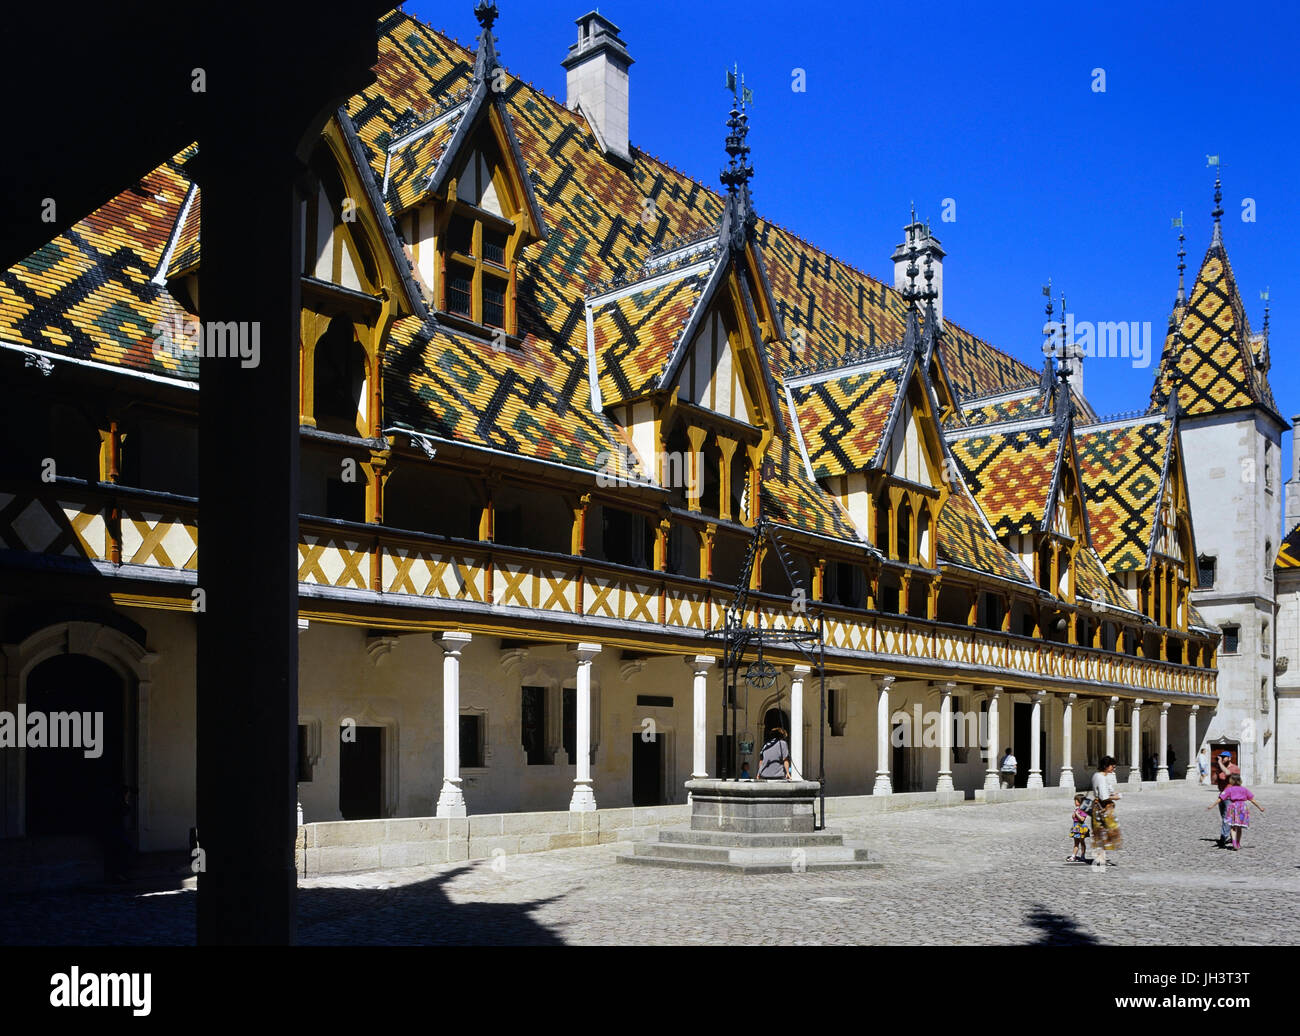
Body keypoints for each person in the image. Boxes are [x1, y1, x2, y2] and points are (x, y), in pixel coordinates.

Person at [1207, 774, 1264, 850]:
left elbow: (1220, 798)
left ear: (1231, 781)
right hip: (1242, 808)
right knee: (1239, 827)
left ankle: (1234, 843)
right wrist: (1260, 807)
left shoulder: (1229, 789)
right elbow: (1252, 799)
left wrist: (1212, 805)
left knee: (1233, 826)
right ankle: (1238, 843)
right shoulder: (1244, 789)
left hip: (1234, 807)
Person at [1090, 756, 1122, 865]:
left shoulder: (1097, 775)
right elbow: (1104, 796)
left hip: (1097, 807)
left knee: (1099, 832)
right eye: (1112, 766)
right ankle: (1100, 859)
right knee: (1105, 832)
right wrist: (1116, 797)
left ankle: (1100, 858)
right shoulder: (1101, 778)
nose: (1114, 768)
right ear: (1106, 766)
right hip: (1103, 808)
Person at [1212, 750, 1240, 848]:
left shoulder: (1234, 768)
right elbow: (1214, 780)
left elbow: (1228, 773)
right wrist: (1217, 770)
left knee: (1226, 817)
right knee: (1225, 817)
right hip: (1222, 795)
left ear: (1229, 758)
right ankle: (1231, 835)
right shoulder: (1221, 768)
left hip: (1230, 796)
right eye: (1221, 757)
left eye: (1224, 757)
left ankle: (1223, 838)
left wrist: (1220, 764)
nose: (1222, 759)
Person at [1069, 793, 1091, 862]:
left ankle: (1083, 855)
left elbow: (1082, 819)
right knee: (1076, 843)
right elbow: (1073, 818)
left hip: (1081, 827)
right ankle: (1073, 856)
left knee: (1082, 842)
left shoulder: (1083, 810)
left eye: (1076, 801)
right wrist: (1074, 814)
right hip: (1076, 827)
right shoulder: (1077, 809)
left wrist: (1077, 814)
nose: (1075, 802)